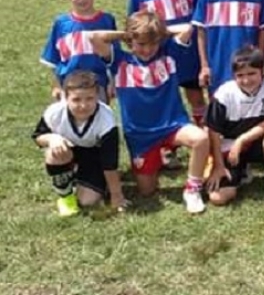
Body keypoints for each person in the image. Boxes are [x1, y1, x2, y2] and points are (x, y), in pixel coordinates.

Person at [89, 12, 211, 214]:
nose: (147, 50)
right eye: (141, 44)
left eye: (152, 44)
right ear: (130, 42)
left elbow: (189, 28)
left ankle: (192, 190)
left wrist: (160, 33)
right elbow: (94, 37)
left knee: (200, 138)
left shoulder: (168, 53)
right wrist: (128, 34)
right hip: (141, 135)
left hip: (173, 125)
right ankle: (158, 156)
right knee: (147, 190)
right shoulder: (119, 60)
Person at [128, 0, 205, 125]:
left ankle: (203, 132)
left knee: (195, 96)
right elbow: (133, 26)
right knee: (163, 97)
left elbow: (199, 19)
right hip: (157, 54)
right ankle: (167, 144)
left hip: (188, 54)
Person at [205, 45, 264, 207]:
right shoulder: (224, 94)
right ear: (233, 75)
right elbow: (213, 132)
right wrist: (218, 165)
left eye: (252, 73)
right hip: (229, 148)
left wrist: (241, 140)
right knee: (218, 198)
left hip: (256, 143)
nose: (246, 80)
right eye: (240, 75)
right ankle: (240, 170)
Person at [32, 71, 127, 217]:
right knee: (54, 152)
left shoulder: (106, 119)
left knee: (87, 201)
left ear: (97, 96)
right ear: (65, 97)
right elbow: (38, 136)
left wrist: (117, 195)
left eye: (90, 99)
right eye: (76, 99)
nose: (83, 105)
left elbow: (110, 162)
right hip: (68, 151)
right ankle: (66, 198)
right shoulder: (55, 112)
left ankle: (85, 179)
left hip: (94, 157)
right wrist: (52, 139)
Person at [40, 0, 118, 101]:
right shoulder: (61, 24)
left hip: (98, 85)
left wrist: (113, 83)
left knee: (98, 119)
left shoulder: (106, 20)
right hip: (69, 86)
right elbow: (54, 59)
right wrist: (57, 85)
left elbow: (115, 57)